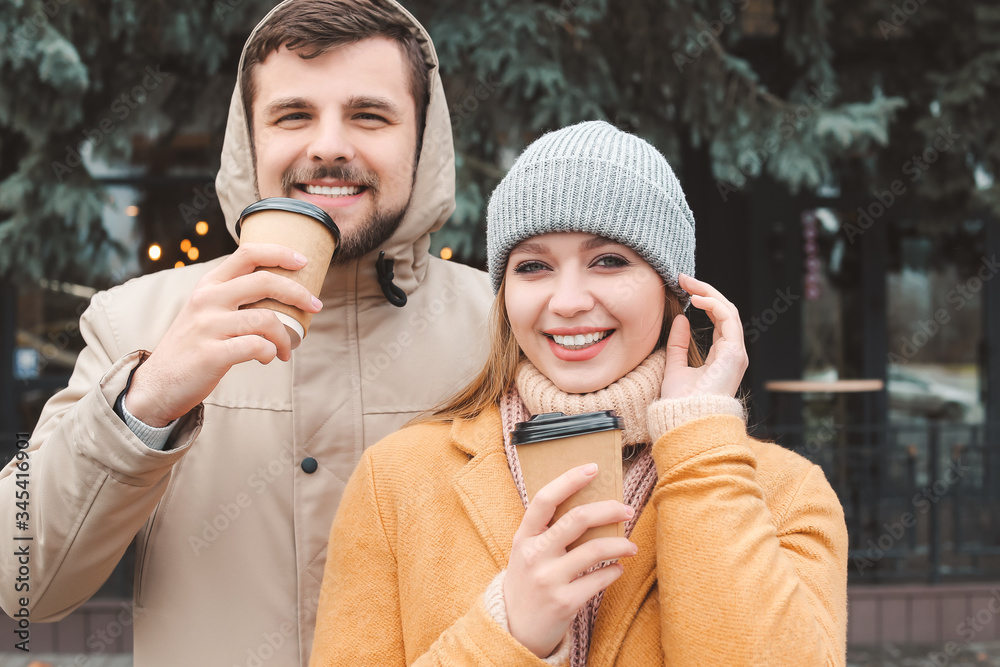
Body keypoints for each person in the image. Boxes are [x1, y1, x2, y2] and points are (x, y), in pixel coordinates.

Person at [0, 0, 493, 664]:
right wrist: (144, 403)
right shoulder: (134, 322)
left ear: (423, 138)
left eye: (369, 115)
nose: (328, 145)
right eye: (293, 115)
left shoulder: (506, 326)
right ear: (250, 140)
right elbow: (23, 582)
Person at [309, 121, 849, 666]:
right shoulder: (395, 480)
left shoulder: (785, 493)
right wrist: (509, 630)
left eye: (609, 260)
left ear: (671, 291)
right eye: (534, 266)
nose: (566, 301)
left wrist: (701, 445)